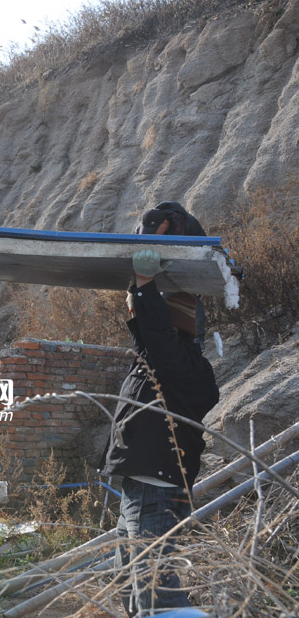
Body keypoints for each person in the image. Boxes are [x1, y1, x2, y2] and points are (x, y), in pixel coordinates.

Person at [98, 249, 220, 615]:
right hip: (143, 489)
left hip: (157, 491)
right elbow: (148, 340)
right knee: (130, 586)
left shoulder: (182, 365)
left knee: (155, 594)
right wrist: (137, 296)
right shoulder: (163, 363)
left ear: (172, 325)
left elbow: (157, 338)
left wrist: (147, 284)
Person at [135, 201, 208, 349]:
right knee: (158, 300)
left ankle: (197, 338)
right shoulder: (142, 229)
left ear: (165, 224)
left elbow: (205, 249)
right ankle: (166, 336)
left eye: (154, 230)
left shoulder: (186, 223)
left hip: (189, 262)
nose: (151, 234)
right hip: (160, 266)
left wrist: (203, 281)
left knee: (188, 297)